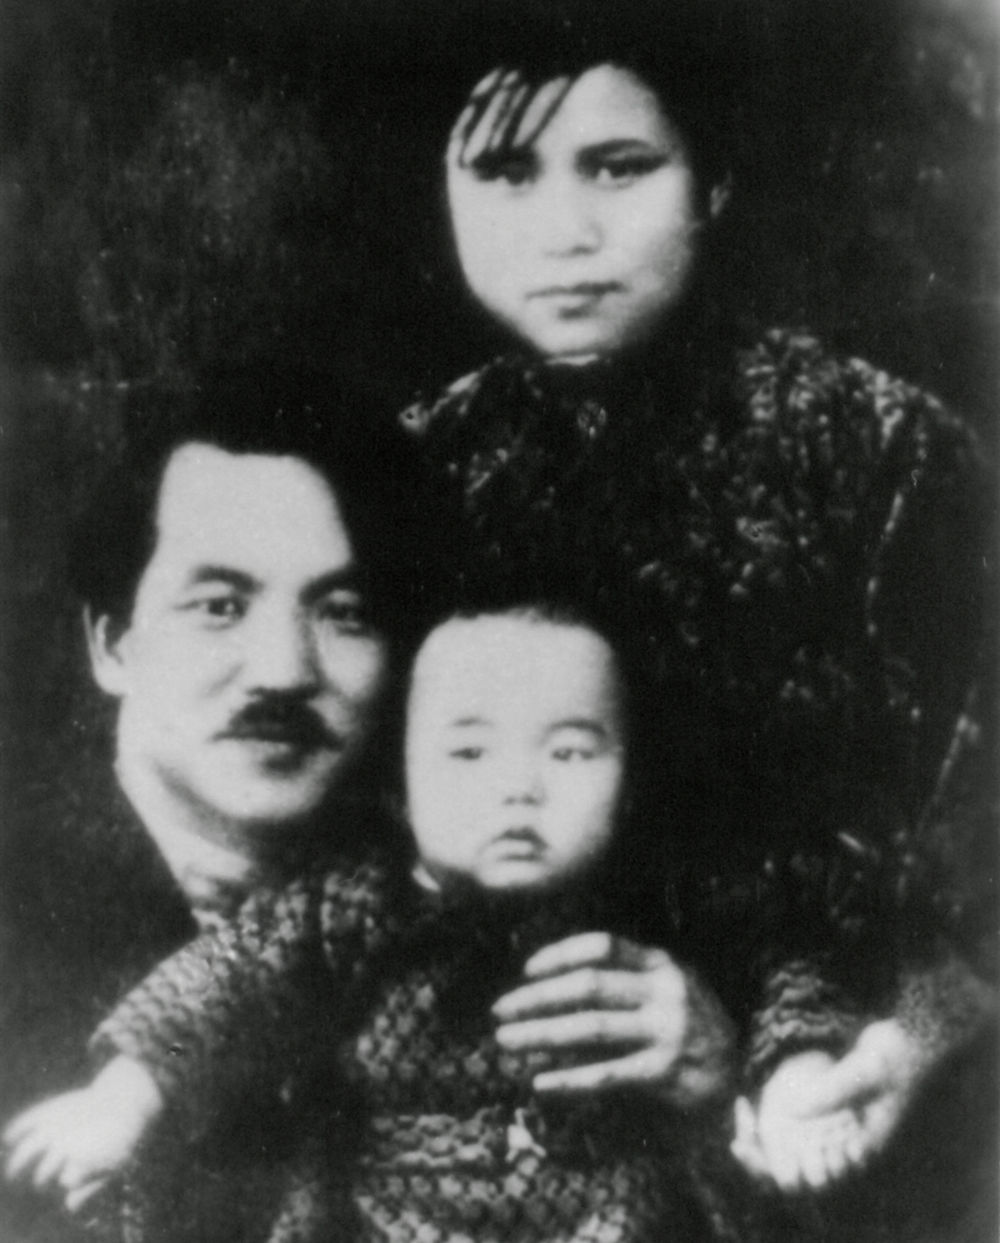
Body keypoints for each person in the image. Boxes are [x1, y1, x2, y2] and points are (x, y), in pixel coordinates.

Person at [397, 3, 996, 1207]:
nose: (564, 231)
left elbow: (974, 860)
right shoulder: (414, 469)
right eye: (505, 173)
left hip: (828, 1117)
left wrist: (908, 1032)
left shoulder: (885, 452)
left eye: (619, 167)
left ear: (712, 183)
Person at [2, 595, 754, 1243]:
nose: (520, 786)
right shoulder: (350, 910)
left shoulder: (654, 920)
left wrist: (787, 1081)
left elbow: (780, 984)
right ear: (401, 786)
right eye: (469, 751)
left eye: (569, 752)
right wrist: (121, 1099)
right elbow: (224, 980)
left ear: (627, 785)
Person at [0, 371, 435, 1241]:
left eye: (344, 612)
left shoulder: (437, 924)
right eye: (220, 606)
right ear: (113, 643)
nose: (284, 669)